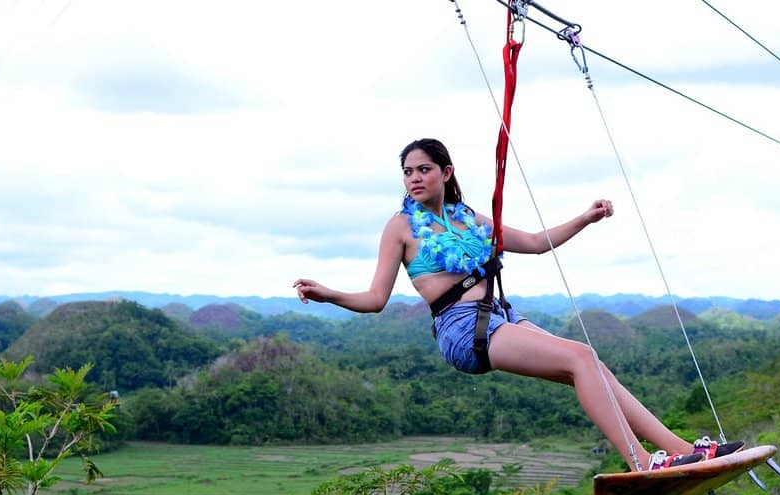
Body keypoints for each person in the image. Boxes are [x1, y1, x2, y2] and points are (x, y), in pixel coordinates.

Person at [294, 138, 741, 471]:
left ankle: (682, 450)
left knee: (593, 367)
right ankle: (642, 462)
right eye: (408, 172)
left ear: (446, 173)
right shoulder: (400, 227)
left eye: (424, 169)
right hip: (462, 329)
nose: (414, 178)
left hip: (501, 317)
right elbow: (375, 299)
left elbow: (535, 242)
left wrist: (585, 217)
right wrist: (328, 293)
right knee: (581, 355)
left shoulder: (469, 217)